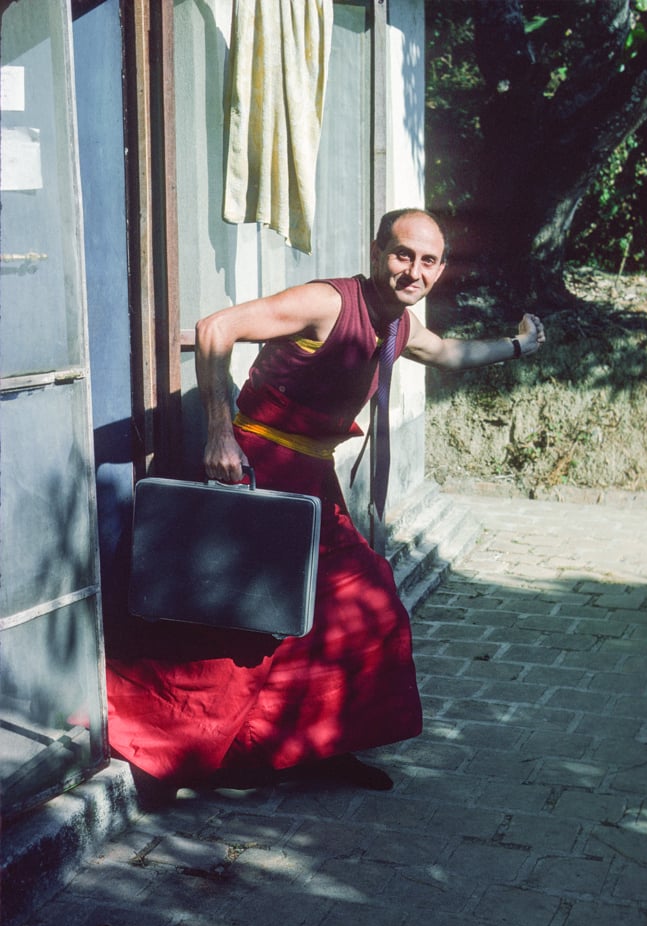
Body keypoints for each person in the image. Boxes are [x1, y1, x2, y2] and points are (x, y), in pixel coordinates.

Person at [105, 208, 545, 795]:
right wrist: (217, 430)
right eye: (401, 254)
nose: (413, 271)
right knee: (245, 625)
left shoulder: (399, 327)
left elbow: (447, 354)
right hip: (259, 471)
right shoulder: (327, 302)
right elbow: (216, 327)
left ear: (439, 269)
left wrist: (518, 345)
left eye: (428, 260)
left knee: (363, 604)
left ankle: (320, 745)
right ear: (375, 252)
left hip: (314, 478)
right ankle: (168, 751)